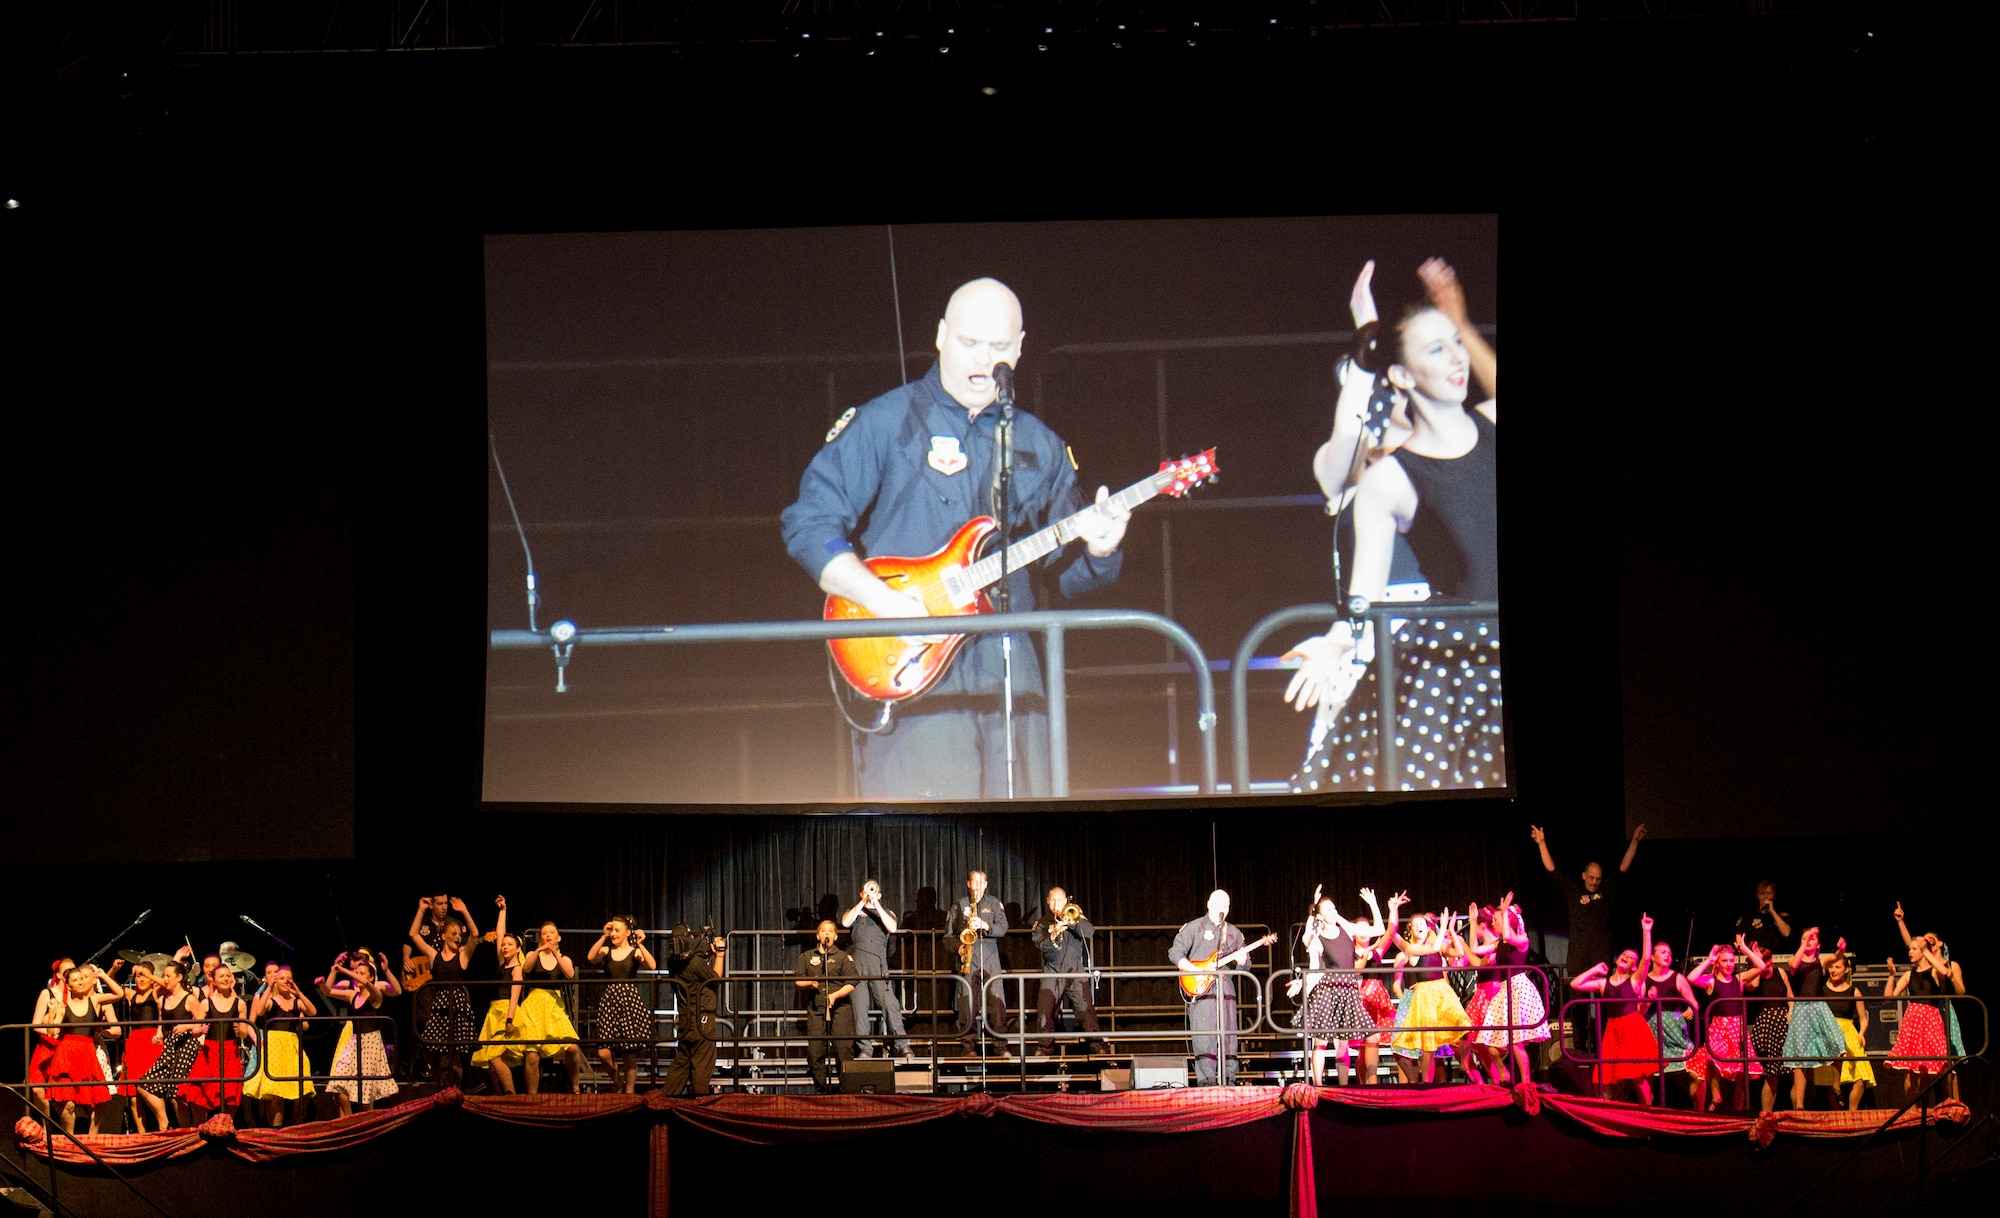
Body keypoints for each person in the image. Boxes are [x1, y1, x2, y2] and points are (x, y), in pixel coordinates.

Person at [779, 277, 1131, 800]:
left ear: (1019, 347)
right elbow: (808, 524)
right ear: (941, 335)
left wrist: (1101, 548)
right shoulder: (884, 422)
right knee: (930, 842)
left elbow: (1067, 576)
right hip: (913, 668)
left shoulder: (1039, 444)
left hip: (1012, 673)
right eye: (968, 343)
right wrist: (884, 601)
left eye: (997, 348)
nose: (981, 360)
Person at [1284, 258, 1503, 794]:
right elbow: (1362, 599)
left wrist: (1461, 325)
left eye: (1452, 347)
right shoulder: (1375, 469)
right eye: (1436, 349)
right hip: (1416, 638)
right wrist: (1367, 347)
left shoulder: (1483, 424)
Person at [1294, 886, 1386, 1085]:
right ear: (1319, 915)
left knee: (1369, 1037)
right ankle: (1318, 1086)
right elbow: (1307, 946)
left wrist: (1373, 904)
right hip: (1328, 990)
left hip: (1349, 990)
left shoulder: (1347, 928)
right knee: (1321, 1042)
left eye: (1334, 908)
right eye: (1327, 909)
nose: (1333, 911)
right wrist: (1302, 982)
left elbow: (1379, 930)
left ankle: (1362, 1084)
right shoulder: (1318, 939)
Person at [1172, 890, 1262, 1086]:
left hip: (1225, 989)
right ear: (1209, 904)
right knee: (1204, 1037)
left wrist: (1242, 960)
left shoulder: (1234, 932)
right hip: (1202, 991)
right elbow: (1175, 952)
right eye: (1219, 905)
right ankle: (1206, 1084)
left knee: (1229, 1036)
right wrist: (1195, 969)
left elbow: (1246, 966)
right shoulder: (1194, 927)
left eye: (1226, 906)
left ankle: (1229, 1082)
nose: (1223, 909)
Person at [1568, 914, 1659, 1105]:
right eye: (1624, 954)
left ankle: (1648, 1112)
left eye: (1631, 957)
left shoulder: (1634, 981)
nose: (1626, 957)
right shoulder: (1603, 983)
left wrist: (1646, 931)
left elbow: (1647, 958)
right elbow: (1576, 984)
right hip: (1613, 1030)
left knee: (1638, 1074)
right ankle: (1608, 1110)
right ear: (1618, 961)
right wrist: (1594, 970)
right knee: (1603, 1075)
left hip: (1633, 1028)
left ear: (1633, 966)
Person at [1471, 894, 1551, 1087]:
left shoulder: (1521, 939)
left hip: (1519, 988)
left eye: (1497, 920)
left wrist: (1504, 911)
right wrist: (1473, 922)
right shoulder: (1499, 945)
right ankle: (1504, 1074)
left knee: (1515, 1040)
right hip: (1505, 991)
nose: (1494, 923)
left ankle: (1526, 1082)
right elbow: (1474, 948)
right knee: (1489, 1042)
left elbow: (1508, 935)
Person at [1388, 910, 1473, 1083]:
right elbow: (1393, 932)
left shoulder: (1438, 945)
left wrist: (1451, 929)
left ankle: (1464, 1063)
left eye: (1422, 924)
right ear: (1411, 930)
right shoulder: (1411, 949)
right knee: (1429, 1047)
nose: (1419, 926)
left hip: (1442, 991)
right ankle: (1426, 1084)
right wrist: (1441, 928)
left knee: (1465, 1024)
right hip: (1425, 995)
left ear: (1428, 929)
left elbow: (1459, 953)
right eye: (1415, 925)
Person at [1685, 937, 1769, 1112]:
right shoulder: (1711, 981)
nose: (1729, 964)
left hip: (1737, 1028)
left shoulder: (1738, 980)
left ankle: (1739, 1108)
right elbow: (1691, 978)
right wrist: (1710, 960)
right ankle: (1716, 1095)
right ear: (1718, 963)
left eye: (1731, 960)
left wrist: (1745, 948)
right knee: (1713, 1059)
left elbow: (1761, 967)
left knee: (1741, 1071)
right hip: (1718, 1027)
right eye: (1725, 960)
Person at [42, 965, 123, 1135]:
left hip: (87, 1053)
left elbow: (119, 994)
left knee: (100, 1099)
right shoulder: (63, 1007)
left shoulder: (95, 1000)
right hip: (67, 1055)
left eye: (82, 979)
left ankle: (91, 1137)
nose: (80, 982)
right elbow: (52, 1032)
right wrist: (51, 1010)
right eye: (75, 980)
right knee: (68, 1102)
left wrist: (103, 975)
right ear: (68, 985)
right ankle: (70, 1137)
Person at [1030, 886, 1109, 1056]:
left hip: (1074, 968)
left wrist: (1071, 923)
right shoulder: (1042, 923)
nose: (1056, 903)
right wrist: (1053, 934)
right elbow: (1039, 945)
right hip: (1052, 969)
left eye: (1059, 900)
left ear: (1066, 901)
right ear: (1047, 901)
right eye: (1052, 900)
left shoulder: (1076, 917)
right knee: (1045, 1009)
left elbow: (1089, 931)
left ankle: (1096, 1045)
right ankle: (1044, 1047)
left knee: (1085, 1008)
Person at [406, 893, 476, 1081]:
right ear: (443, 936)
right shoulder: (433, 955)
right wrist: (421, 910)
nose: (458, 937)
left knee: (456, 1057)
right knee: (437, 1054)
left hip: (458, 1007)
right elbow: (413, 934)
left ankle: (456, 1092)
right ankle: (441, 1091)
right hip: (440, 1007)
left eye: (459, 935)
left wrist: (464, 911)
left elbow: (475, 935)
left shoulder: (462, 957)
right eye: (453, 934)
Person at [1779, 927, 1851, 1111]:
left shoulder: (1821, 961)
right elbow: (1793, 966)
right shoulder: (1796, 959)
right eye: (1804, 938)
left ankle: (1836, 1087)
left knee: (1838, 1042)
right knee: (1801, 1059)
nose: (1808, 941)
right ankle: (1800, 1106)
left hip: (1819, 1008)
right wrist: (1805, 941)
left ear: (1818, 944)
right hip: (1803, 1011)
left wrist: (1841, 949)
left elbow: (1836, 957)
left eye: (1812, 939)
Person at [1886, 934, 1965, 1099]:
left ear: (1924, 951)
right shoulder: (1909, 974)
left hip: (1931, 1021)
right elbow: (1889, 998)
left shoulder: (1935, 971)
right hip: (1913, 1022)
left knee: (1941, 1065)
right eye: (1910, 949)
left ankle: (1951, 1104)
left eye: (1914, 949)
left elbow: (1945, 971)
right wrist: (1892, 975)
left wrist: (1926, 951)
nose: (1910, 952)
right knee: (1911, 1070)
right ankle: (1911, 1110)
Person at [587, 915, 658, 1093]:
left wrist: (640, 943)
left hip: (628, 1000)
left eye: (617, 930)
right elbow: (590, 957)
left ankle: (629, 1091)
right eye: (612, 930)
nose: (613, 934)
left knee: (629, 1051)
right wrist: (603, 936)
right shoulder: (606, 950)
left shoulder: (635, 952)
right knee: (603, 1052)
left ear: (627, 933)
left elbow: (652, 965)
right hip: (610, 1000)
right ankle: (618, 1082)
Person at [320, 953, 398, 1116]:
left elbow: (395, 990)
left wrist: (345, 970)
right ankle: (350, 1120)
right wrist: (332, 973)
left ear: (371, 977)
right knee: (338, 1082)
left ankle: (364, 1125)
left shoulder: (376, 995)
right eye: (357, 972)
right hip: (354, 1042)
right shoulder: (352, 995)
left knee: (366, 1094)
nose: (357, 976)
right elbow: (327, 991)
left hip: (371, 1043)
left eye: (362, 973)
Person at [841, 880, 910, 1060]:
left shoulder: (887, 912)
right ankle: (865, 1049)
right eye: (867, 890)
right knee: (860, 1008)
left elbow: (892, 928)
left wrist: (876, 904)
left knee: (889, 1005)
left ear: (879, 895)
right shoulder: (856, 911)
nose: (871, 894)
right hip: (858, 966)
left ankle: (902, 1045)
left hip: (878, 965)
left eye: (874, 892)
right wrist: (863, 902)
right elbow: (845, 923)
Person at [946, 869, 1011, 1055]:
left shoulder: (994, 903)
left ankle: (1001, 1047)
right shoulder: (959, 905)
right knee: (967, 1005)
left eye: (981, 883)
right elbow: (947, 937)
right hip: (968, 958)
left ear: (986, 885)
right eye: (974, 882)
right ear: (968, 884)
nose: (977, 887)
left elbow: (1003, 927)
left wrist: (985, 925)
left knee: (997, 1005)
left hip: (990, 958)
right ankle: (968, 1048)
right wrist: (958, 947)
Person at [242, 965, 317, 1126]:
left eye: (288, 978)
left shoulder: (296, 1002)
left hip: (292, 1047)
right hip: (274, 1047)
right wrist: (269, 987)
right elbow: (260, 1011)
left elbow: (313, 1012)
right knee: (277, 1094)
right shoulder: (270, 1001)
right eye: (281, 978)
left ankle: (294, 1126)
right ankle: (276, 1131)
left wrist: (298, 993)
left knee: (303, 1089)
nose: (285, 981)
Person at [136, 959, 205, 1130]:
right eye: (164, 975)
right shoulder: (163, 1000)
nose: (165, 979)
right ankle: (166, 1122)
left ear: (179, 977)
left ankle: (190, 1129)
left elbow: (203, 1023)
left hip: (187, 1046)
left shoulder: (190, 999)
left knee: (177, 1094)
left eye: (168, 976)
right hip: (170, 1047)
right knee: (144, 1084)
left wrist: (187, 1026)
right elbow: (162, 1026)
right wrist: (158, 1035)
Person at [659, 930, 725, 1097]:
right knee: (702, 1064)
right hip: (701, 1019)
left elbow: (696, 972)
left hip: (684, 1019)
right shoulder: (695, 963)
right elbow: (714, 979)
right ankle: (700, 1104)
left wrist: (705, 957)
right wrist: (720, 955)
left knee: (681, 1063)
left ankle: (665, 1102)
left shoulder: (672, 963)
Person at [795, 920, 858, 1093]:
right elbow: (798, 980)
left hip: (840, 1009)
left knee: (843, 1049)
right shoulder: (806, 957)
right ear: (818, 935)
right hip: (817, 1009)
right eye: (823, 931)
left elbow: (852, 982)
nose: (827, 934)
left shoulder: (843, 957)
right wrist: (810, 982)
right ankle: (821, 1089)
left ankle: (847, 1090)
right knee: (816, 1052)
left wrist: (835, 995)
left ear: (836, 936)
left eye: (831, 931)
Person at [183, 963, 252, 1117]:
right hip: (209, 1052)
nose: (226, 979)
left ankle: (224, 1128)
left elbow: (243, 1034)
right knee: (200, 1094)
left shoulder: (239, 1004)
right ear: (213, 980)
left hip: (229, 1052)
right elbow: (195, 1030)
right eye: (221, 976)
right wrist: (200, 1030)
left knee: (230, 1095)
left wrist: (240, 1029)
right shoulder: (206, 1003)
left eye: (228, 975)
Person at [1815, 949, 1874, 1112]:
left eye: (1838, 967)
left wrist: (1861, 1033)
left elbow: (1863, 1018)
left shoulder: (1854, 991)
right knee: (1829, 1079)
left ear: (1846, 969)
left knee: (1861, 1076)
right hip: (1827, 1033)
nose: (1833, 970)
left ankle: (1851, 1114)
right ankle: (1836, 1114)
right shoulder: (1821, 989)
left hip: (1848, 1033)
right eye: (1831, 967)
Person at [1642, 940, 1700, 1105]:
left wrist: (1690, 1009)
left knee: (1691, 1065)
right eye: (1663, 952)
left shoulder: (1677, 977)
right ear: (1652, 957)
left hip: (1674, 1030)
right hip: (1651, 1030)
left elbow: (1693, 1002)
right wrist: (1648, 1000)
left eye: (1669, 953)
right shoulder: (1644, 980)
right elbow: (1638, 1010)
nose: (1668, 955)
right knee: (1650, 1071)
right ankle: (1649, 1109)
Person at [117, 961, 168, 1130]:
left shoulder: (155, 993)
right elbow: (114, 987)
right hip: (134, 1043)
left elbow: (166, 984)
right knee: (132, 1094)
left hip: (151, 1042)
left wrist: (148, 974)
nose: (141, 979)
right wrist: (112, 970)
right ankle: (141, 1134)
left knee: (151, 1087)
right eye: (138, 976)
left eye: (143, 975)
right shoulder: (132, 995)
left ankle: (163, 1126)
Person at [1734, 881, 1794, 959]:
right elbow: (1739, 941)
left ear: (1774, 896)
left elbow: (1786, 933)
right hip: (1753, 959)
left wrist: (1772, 911)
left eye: (1769, 893)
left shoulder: (1781, 916)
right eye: (1762, 893)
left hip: (1775, 960)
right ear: (1757, 896)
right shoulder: (1748, 916)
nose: (1765, 896)